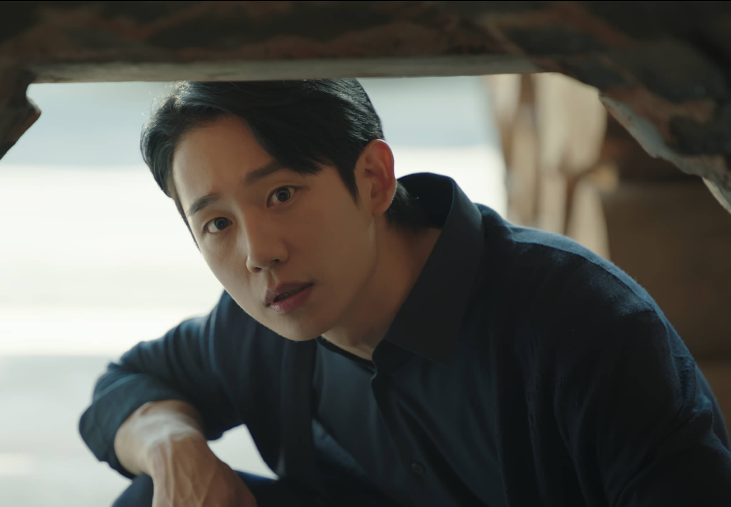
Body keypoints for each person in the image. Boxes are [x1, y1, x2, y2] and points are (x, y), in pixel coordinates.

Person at [79, 80, 731, 507]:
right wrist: (171, 444)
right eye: (218, 224)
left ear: (373, 178)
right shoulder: (258, 324)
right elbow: (124, 387)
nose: (258, 252)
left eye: (281, 194)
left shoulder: (584, 325)